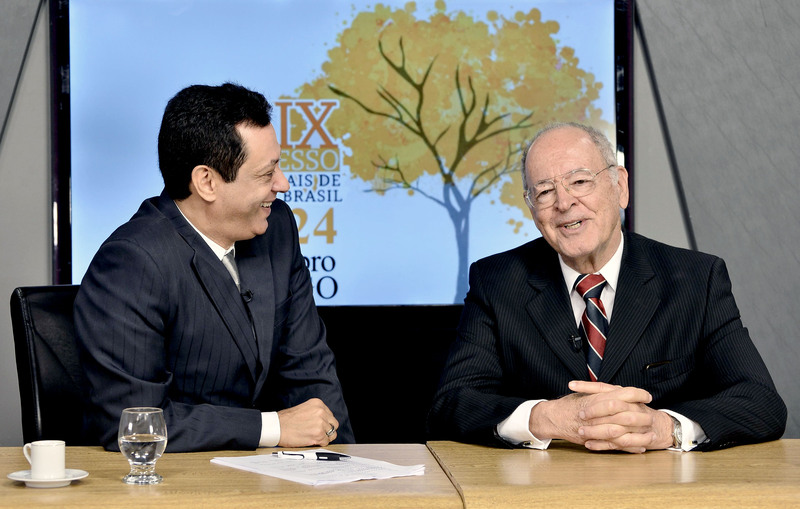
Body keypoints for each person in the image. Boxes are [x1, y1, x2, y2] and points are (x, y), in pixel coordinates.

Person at [427, 122, 786, 452]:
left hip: (662, 488)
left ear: (620, 186)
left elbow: (761, 402)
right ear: (532, 209)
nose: (564, 203)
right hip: (542, 490)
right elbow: (451, 404)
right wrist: (546, 418)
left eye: (580, 182)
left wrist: (665, 428)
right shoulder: (497, 281)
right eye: (545, 191)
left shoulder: (696, 278)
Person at [75, 83, 354, 452]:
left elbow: (311, 374)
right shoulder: (133, 262)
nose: (283, 184)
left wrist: (346, 466)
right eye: (266, 173)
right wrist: (272, 427)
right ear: (206, 181)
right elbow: (132, 422)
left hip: (274, 476)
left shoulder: (277, 229)